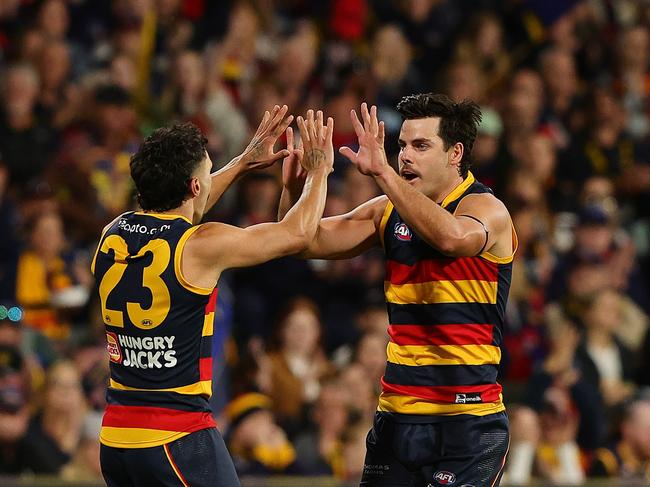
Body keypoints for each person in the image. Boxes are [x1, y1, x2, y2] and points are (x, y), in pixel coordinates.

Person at [280, 94, 516, 486]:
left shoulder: (487, 209)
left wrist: (384, 175)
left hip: (467, 424)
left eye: (420, 146)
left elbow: (452, 238)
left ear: (455, 153)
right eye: (402, 145)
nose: (405, 156)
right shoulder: (385, 212)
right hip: (397, 420)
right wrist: (302, 185)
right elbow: (301, 241)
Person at [92, 105, 333, 487]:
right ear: (194, 186)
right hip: (176, 438)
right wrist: (319, 172)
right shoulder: (202, 245)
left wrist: (239, 164)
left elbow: (182, 206)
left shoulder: (112, 234)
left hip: (116, 440)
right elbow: (298, 234)